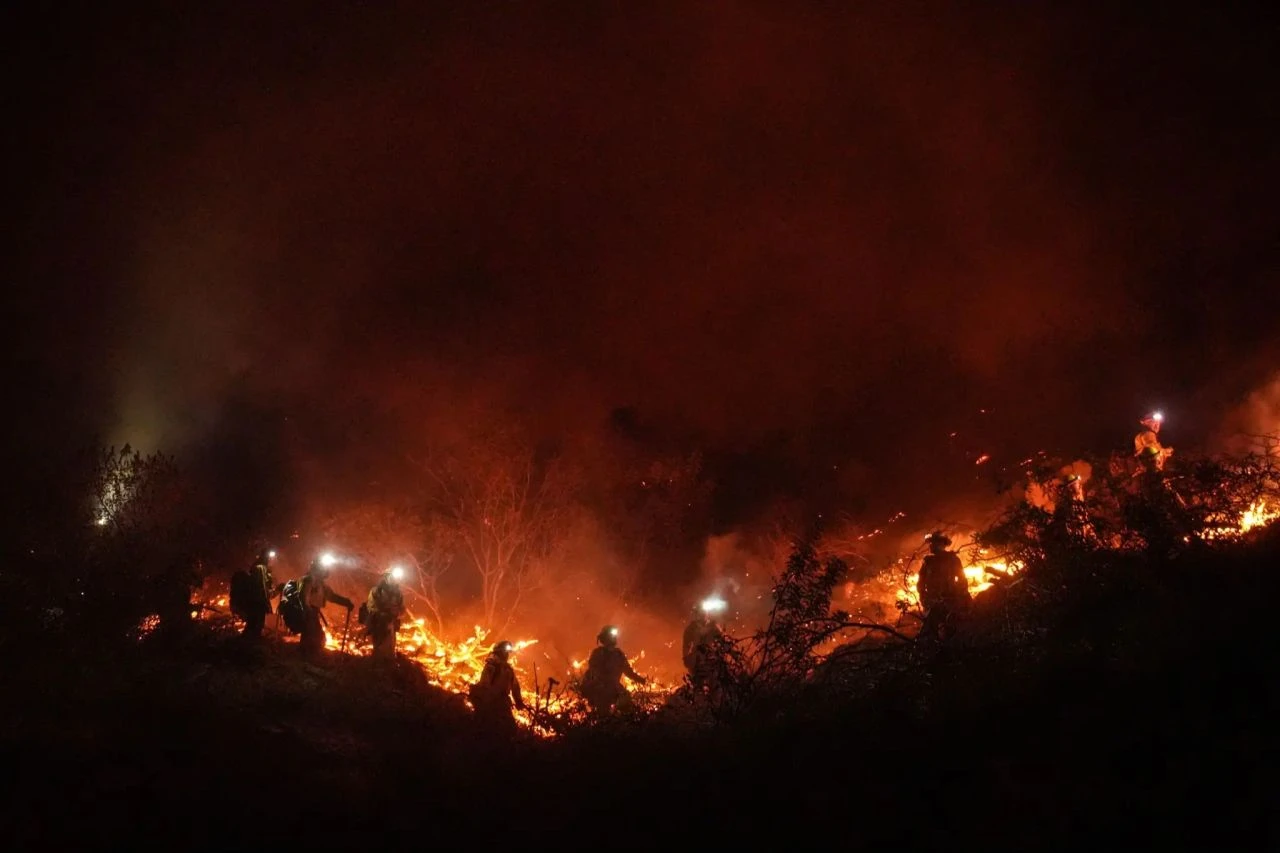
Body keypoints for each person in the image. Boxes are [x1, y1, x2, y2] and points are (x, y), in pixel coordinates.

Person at [580, 625, 647, 714]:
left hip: (614, 687)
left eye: (614, 635)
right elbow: (593, 671)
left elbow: (628, 671)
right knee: (603, 713)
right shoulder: (598, 653)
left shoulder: (618, 654)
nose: (614, 637)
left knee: (626, 703)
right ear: (605, 637)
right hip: (600, 688)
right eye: (611, 635)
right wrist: (604, 682)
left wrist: (641, 680)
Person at [917, 532, 970, 641]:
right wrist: (923, 597)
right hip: (932, 602)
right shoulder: (928, 562)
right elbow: (921, 582)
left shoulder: (953, 560)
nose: (931, 545)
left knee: (950, 631)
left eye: (934, 542)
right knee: (930, 633)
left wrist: (960, 595)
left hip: (950, 600)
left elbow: (962, 579)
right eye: (931, 543)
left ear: (942, 544)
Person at [298, 556, 353, 656]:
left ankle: (306, 656)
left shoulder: (320, 583)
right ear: (317, 568)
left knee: (314, 635)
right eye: (322, 569)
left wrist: (346, 602)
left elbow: (331, 596)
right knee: (313, 635)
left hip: (312, 612)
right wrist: (307, 609)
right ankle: (306, 657)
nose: (325, 572)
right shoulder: (309, 580)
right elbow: (303, 596)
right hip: (308, 612)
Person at [469, 641, 527, 732]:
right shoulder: (491, 666)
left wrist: (519, 701)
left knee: (510, 729)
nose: (507, 655)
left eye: (508, 653)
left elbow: (515, 687)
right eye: (505, 652)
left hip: (502, 701)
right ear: (500, 652)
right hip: (492, 702)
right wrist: (486, 701)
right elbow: (484, 684)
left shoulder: (508, 669)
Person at [230, 550, 276, 640]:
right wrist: (265, 601)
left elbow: (265, 586)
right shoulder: (260, 568)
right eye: (270, 558)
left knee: (253, 625)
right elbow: (261, 586)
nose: (272, 560)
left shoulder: (260, 567)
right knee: (256, 625)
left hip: (255, 601)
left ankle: (248, 645)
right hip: (258, 602)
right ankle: (250, 646)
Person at [682, 602, 725, 691]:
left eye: (704, 612)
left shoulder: (714, 627)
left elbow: (722, 642)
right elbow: (686, 645)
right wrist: (686, 657)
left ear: (707, 614)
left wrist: (721, 656)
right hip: (697, 660)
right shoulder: (691, 628)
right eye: (700, 613)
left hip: (711, 659)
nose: (702, 615)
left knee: (714, 685)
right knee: (697, 686)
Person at [365, 567, 406, 660]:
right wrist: (384, 613)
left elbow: (403, 609)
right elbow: (371, 607)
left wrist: (397, 613)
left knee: (390, 651)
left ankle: (388, 669)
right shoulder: (376, 591)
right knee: (379, 651)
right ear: (386, 577)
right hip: (379, 626)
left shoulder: (398, 593)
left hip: (391, 625)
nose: (395, 579)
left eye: (396, 577)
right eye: (392, 576)